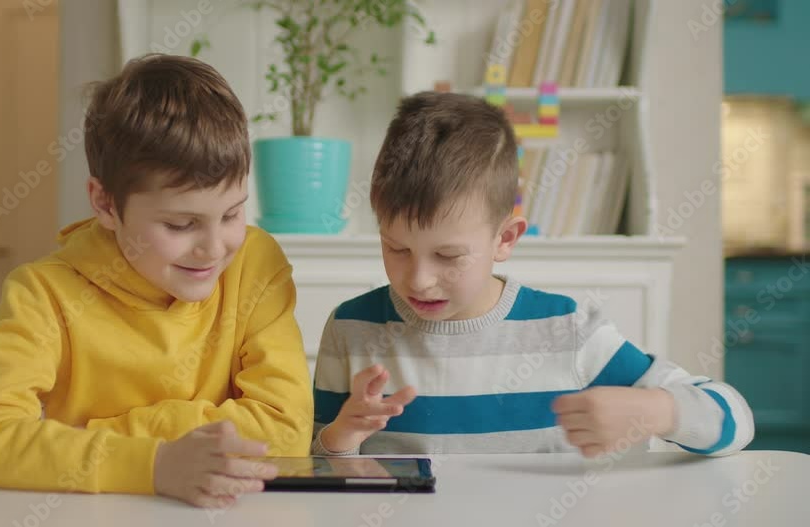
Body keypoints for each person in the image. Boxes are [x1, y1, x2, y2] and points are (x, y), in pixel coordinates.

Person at [0, 54, 313, 509]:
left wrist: (84, 439)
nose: (215, 248)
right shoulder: (44, 294)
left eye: (233, 213)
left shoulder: (256, 263)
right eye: (181, 225)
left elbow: (286, 431)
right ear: (104, 203)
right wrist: (155, 464)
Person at [311, 91, 754, 458]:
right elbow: (310, 469)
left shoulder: (568, 330)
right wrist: (340, 437)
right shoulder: (351, 329)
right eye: (397, 249)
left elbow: (736, 418)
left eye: (448, 255)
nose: (419, 279)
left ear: (506, 238)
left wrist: (657, 411)